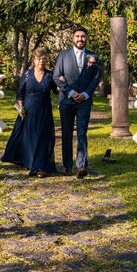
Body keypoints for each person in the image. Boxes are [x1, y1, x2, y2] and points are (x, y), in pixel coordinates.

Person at [0, 48, 58, 177]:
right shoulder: (27, 74)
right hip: (29, 111)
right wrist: (20, 108)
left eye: (43, 58)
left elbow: (56, 91)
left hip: (44, 111)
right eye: (38, 59)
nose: (41, 61)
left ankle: (40, 167)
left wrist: (62, 81)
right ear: (34, 60)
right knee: (30, 138)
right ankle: (30, 161)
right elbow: (20, 95)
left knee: (43, 138)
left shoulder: (50, 75)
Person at [53, 27, 100, 179]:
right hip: (67, 101)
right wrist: (71, 93)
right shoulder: (63, 55)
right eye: (78, 36)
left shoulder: (93, 56)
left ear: (86, 38)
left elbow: (95, 78)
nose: (80, 39)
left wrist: (85, 94)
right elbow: (56, 76)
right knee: (66, 134)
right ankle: (67, 166)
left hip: (84, 102)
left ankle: (81, 166)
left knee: (81, 133)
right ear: (73, 38)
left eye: (83, 36)